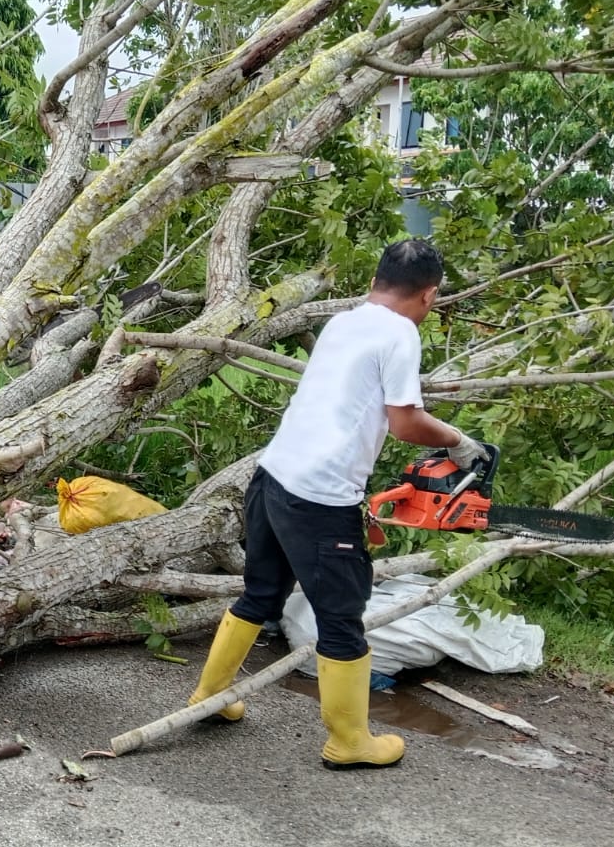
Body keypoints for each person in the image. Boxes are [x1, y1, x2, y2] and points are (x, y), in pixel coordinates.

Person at [185, 237, 488, 770]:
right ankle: (349, 741)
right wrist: (458, 442)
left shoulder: (344, 322)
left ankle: (208, 696)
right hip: (320, 498)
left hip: (273, 477)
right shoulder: (400, 334)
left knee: (260, 593)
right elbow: (405, 422)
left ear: (375, 282)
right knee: (342, 616)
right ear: (430, 295)